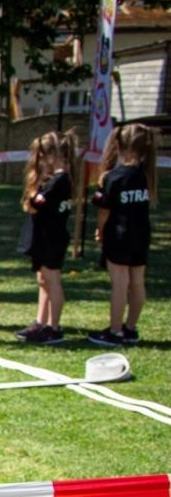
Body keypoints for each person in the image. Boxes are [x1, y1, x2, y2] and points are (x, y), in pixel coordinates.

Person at [87, 122, 156, 347]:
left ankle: (115, 332)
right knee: (137, 281)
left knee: (119, 282)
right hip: (141, 234)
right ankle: (130, 329)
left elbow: (104, 210)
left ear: (117, 145)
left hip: (119, 234)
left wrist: (100, 229)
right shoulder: (147, 175)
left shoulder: (112, 177)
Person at [14, 132, 75, 345]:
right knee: (43, 279)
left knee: (52, 279)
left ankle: (54, 327)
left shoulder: (59, 181)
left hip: (53, 237)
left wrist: (33, 194)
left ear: (50, 154)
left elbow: (35, 203)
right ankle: (41, 322)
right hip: (45, 236)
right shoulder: (56, 179)